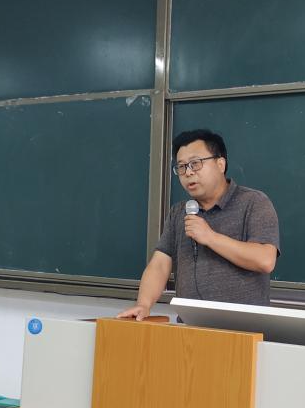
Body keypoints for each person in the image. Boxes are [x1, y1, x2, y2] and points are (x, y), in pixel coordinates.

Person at [118, 129, 280, 320]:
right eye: (181, 167)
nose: (188, 172)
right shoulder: (179, 212)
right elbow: (160, 264)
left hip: (244, 330)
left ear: (220, 164)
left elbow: (265, 260)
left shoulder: (254, 202)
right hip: (190, 329)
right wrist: (143, 304)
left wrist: (210, 237)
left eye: (195, 163)